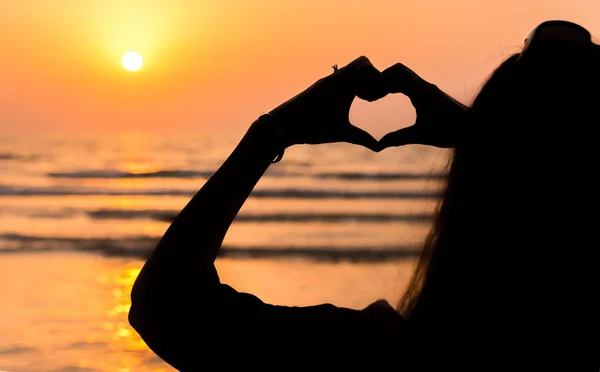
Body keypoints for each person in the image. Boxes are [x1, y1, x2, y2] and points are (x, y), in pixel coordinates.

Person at [128, 20, 598, 370]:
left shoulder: (380, 359)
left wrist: (271, 133)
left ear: (470, 191)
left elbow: (168, 305)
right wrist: (491, 144)